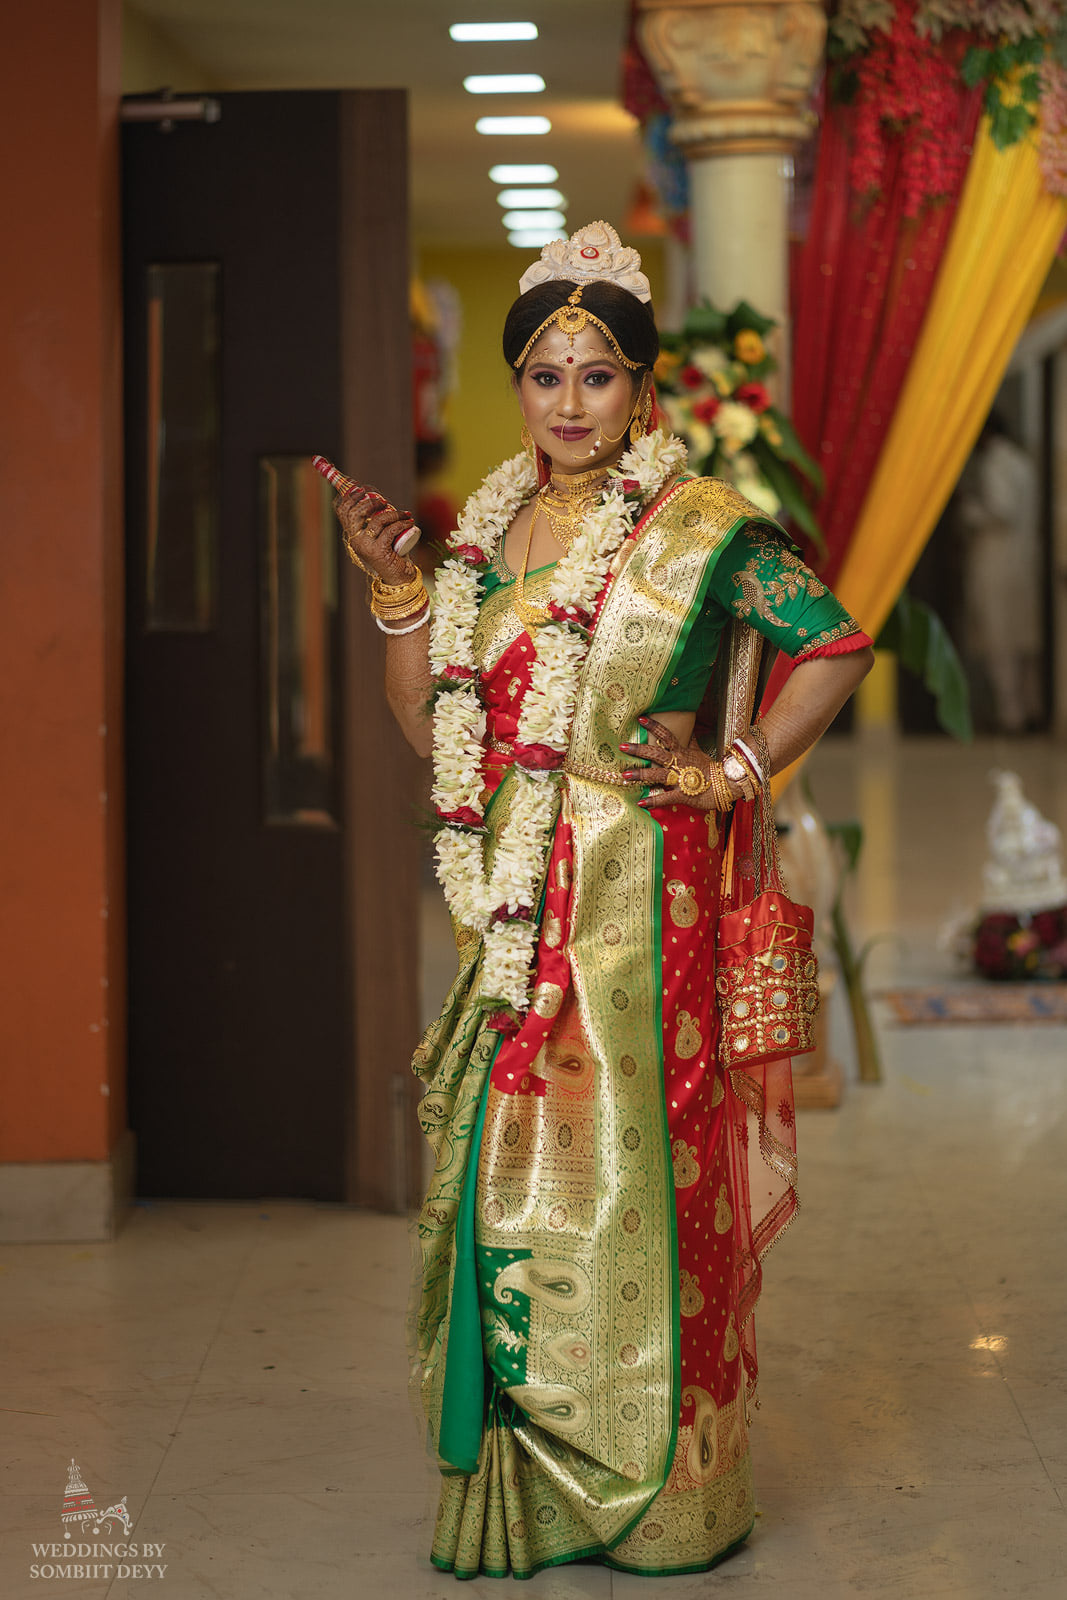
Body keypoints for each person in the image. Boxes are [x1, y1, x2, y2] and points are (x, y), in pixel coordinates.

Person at [334, 222, 873, 1579]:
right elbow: (428, 730)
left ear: (642, 392)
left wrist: (731, 765)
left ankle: (661, 1488)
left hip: (644, 897)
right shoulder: (483, 537)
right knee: (506, 1176)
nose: (570, 404)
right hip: (507, 898)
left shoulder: (695, 531)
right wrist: (403, 590)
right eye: (546, 377)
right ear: (518, 390)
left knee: (639, 1169)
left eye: (598, 378)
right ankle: (525, 1476)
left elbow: (835, 643)